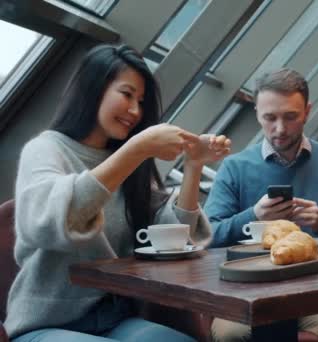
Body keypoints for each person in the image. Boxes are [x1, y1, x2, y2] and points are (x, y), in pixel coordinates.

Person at [4, 44, 231, 342]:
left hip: (115, 319)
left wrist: (194, 166)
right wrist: (137, 148)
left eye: (140, 101)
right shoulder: (46, 149)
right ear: (93, 88)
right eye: (126, 94)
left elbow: (175, 237)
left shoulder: (126, 162)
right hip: (43, 325)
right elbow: (53, 221)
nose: (135, 111)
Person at [205, 68, 318, 341]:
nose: (280, 129)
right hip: (247, 290)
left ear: (307, 111)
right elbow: (209, 236)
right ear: (256, 113)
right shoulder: (234, 167)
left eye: (291, 117)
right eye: (269, 118)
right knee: (231, 335)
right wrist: (253, 217)